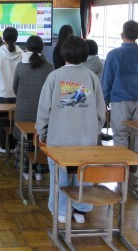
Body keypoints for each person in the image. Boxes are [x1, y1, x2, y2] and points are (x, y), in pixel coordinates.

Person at [35, 36, 106, 224]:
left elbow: (44, 109)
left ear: (63, 54)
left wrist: (42, 132)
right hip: (86, 141)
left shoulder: (54, 76)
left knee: (60, 177)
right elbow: (101, 111)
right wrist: (94, 131)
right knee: (83, 175)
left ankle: (61, 211)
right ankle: (80, 210)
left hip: (59, 140)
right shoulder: (91, 77)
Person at [101, 20, 138, 156]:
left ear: (122, 34)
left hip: (119, 102)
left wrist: (104, 101)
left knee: (120, 135)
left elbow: (107, 81)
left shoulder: (113, 55)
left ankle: (123, 165)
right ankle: (136, 166)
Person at [12, 35, 54, 180]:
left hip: (23, 110)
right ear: (42, 48)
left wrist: (23, 97)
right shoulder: (49, 67)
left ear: (27, 48)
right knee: (41, 139)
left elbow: (15, 88)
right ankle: (40, 172)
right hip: (43, 112)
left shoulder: (20, 66)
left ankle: (25, 170)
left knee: (24, 140)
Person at [0, 27, 23, 154]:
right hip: (17, 94)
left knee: (2, 121)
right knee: (15, 121)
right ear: (16, 38)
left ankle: (4, 146)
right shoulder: (22, 54)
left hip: (2, 93)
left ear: (3, 38)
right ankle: (14, 146)